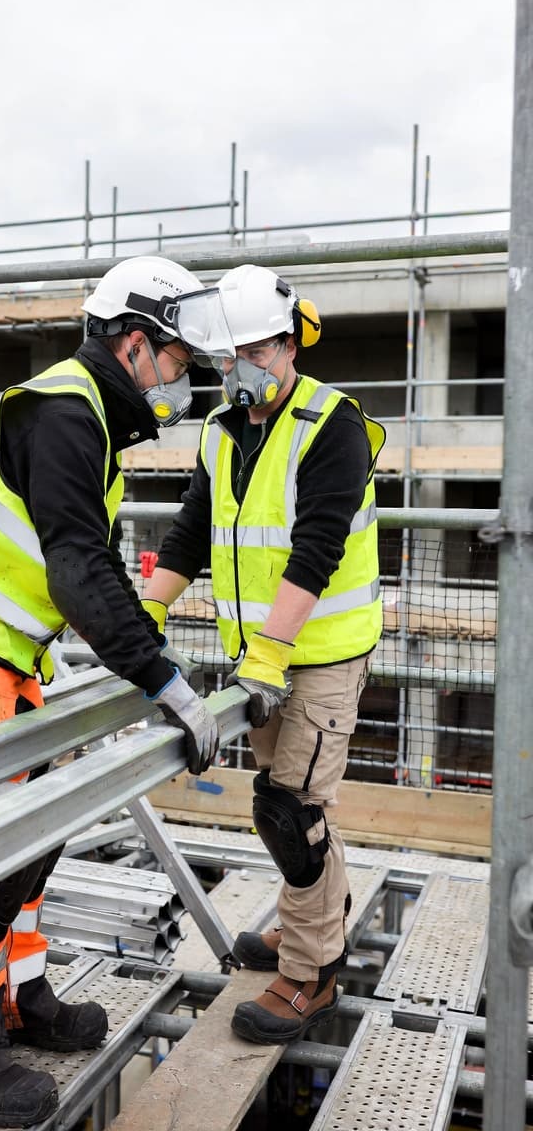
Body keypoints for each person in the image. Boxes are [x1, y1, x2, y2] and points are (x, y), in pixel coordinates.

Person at [0, 254, 234, 1127]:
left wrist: (143, 654)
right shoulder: (68, 414)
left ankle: (19, 1000)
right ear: (137, 346)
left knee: (37, 833)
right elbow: (78, 571)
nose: (185, 384)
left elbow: (89, 566)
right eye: (181, 363)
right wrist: (165, 683)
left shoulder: (87, 419)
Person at [142, 263, 385, 1045]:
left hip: (317, 654)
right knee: (293, 808)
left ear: (287, 344)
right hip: (262, 658)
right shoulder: (221, 432)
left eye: (250, 353)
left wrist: (273, 652)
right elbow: (189, 533)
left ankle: (311, 975)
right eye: (224, 358)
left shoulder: (333, 424)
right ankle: (314, 923)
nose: (235, 371)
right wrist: (147, 609)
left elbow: (315, 551)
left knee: (292, 812)